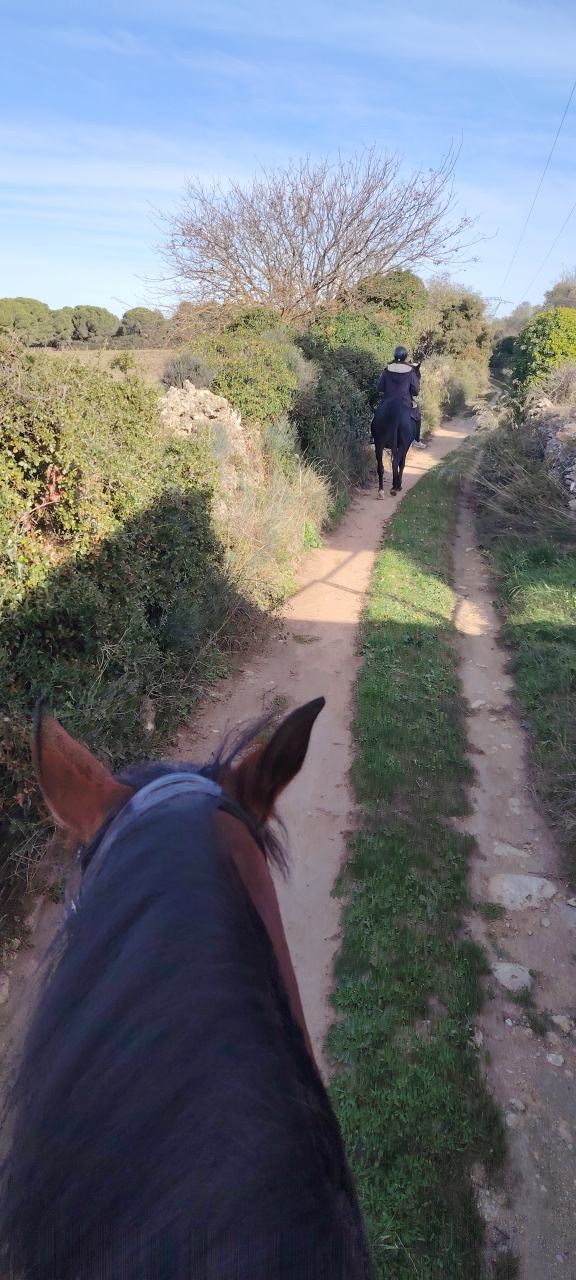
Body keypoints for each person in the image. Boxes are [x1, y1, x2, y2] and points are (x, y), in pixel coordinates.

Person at [374, 346, 426, 448]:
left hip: (387, 401)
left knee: (378, 413)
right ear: (405, 356)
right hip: (405, 401)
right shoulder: (410, 371)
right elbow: (415, 391)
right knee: (417, 413)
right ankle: (416, 439)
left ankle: (373, 436)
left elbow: (380, 387)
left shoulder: (387, 369)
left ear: (395, 355)